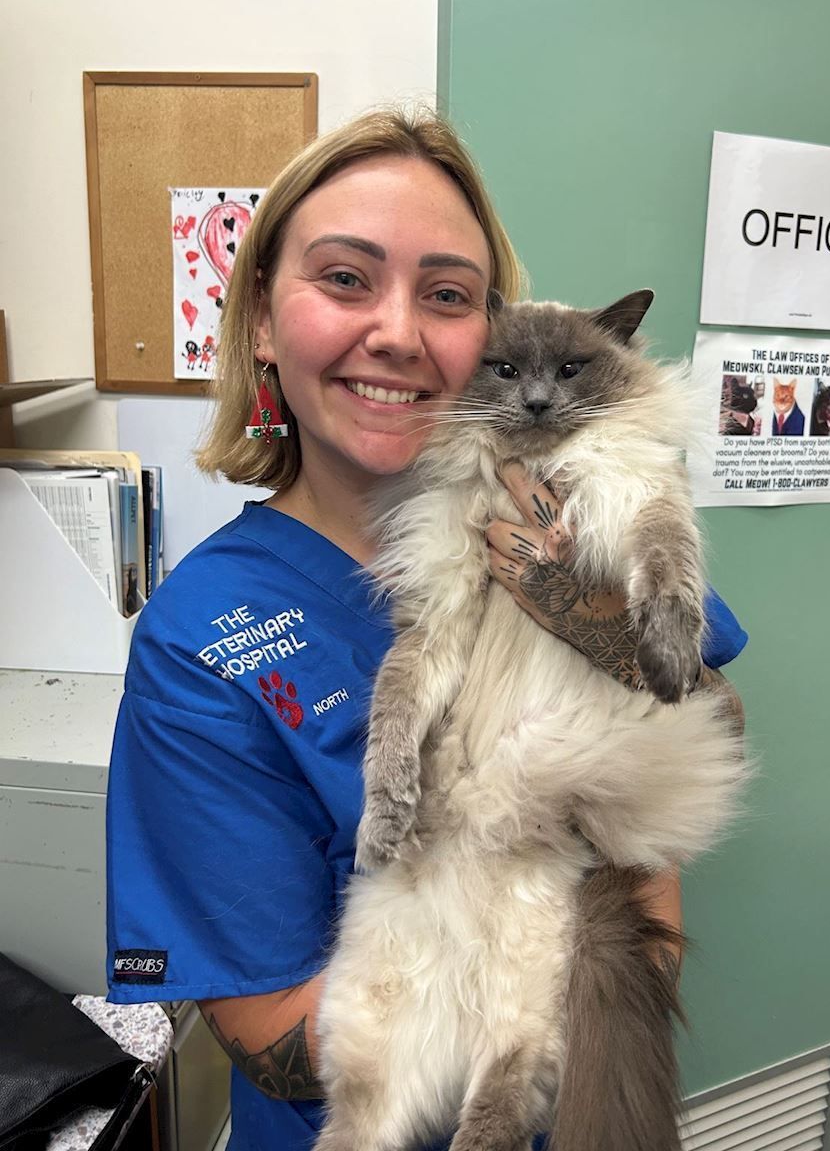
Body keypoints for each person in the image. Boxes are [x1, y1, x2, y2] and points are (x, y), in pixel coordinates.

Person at [106, 108, 747, 1151]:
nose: (399, 331)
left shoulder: (568, 508)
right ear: (263, 318)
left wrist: (641, 948)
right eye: (346, 277)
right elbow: (262, 1025)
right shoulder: (204, 638)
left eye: (446, 294)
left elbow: (705, 725)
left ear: (484, 332)